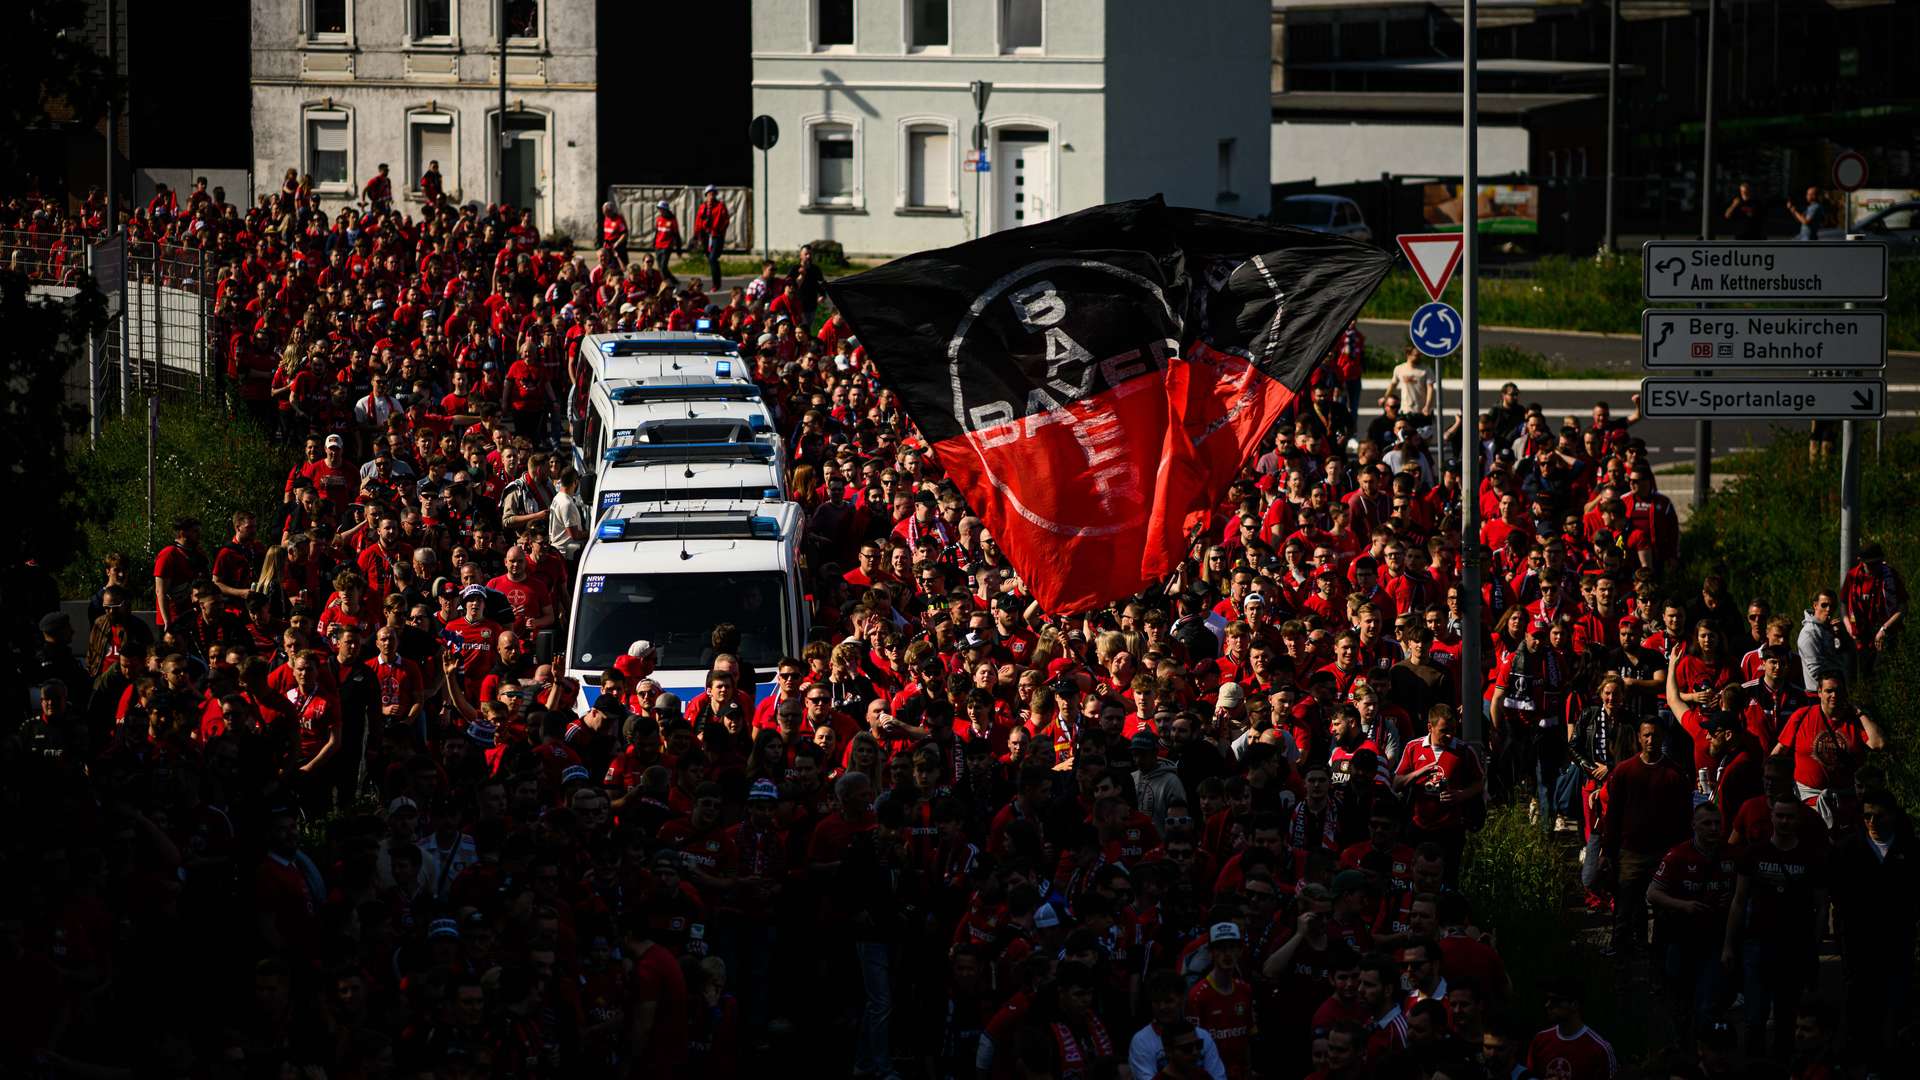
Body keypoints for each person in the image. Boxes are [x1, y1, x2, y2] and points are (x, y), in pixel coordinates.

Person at [1526, 977, 1615, 1080]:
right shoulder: (1540, 1040)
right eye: (1547, 1000)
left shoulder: (1599, 1049)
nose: (1547, 1005)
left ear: (1574, 1005)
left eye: (1555, 1001)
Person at [693, 185, 731, 290]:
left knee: (712, 258)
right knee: (710, 259)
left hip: (716, 235)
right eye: (709, 194)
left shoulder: (720, 206)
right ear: (706, 195)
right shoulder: (703, 207)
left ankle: (716, 284)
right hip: (705, 235)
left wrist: (720, 231)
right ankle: (716, 277)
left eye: (713, 194)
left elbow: (726, 220)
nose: (711, 196)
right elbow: (698, 222)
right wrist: (696, 235)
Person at [652, 200, 682, 283]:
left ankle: (671, 282)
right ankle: (668, 282)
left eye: (662, 209)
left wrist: (678, 249)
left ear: (666, 209)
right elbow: (657, 232)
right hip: (658, 245)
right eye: (659, 209)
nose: (660, 211)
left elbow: (676, 234)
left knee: (663, 267)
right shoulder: (659, 219)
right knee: (660, 268)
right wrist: (654, 242)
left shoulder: (672, 220)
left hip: (667, 246)